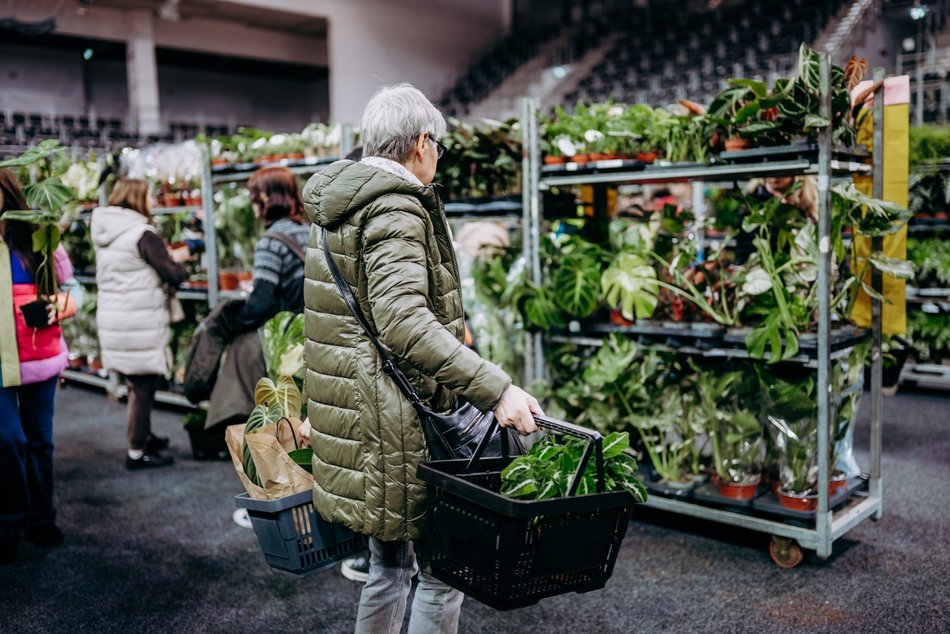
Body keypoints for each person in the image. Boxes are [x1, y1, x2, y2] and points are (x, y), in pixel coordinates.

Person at [301, 83, 543, 634]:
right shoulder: (394, 209)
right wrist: (497, 389)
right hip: (399, 422)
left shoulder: (337, 207)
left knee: (386, 569)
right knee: (442, 572)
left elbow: (340, 319)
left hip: (361, 418)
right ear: (422, 142)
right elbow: (404, 322)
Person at [0, 168, 78, 563]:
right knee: (8, 440)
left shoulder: (35, 241)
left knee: (38, 440)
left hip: (36, 356)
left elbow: (73, 287)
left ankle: (41, 518)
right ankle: (9, 521)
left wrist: (58, 306)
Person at [92, 178, 189, 470]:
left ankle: (143, 434)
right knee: (144, 385)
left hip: (117, 317)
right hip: (139, 320)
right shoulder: (143, 234)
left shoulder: (107, 232)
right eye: (149, 195)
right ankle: (137, 451)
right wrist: (180, 259)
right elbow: (172, 274)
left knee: (137, 383)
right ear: (137, 198)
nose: (154, 201)